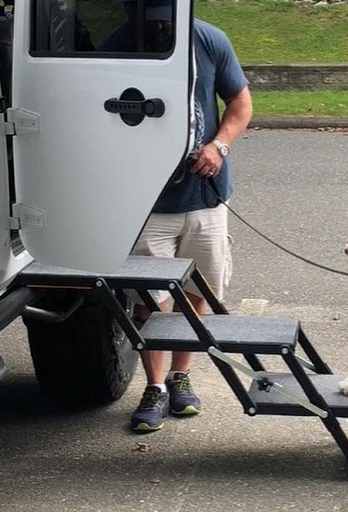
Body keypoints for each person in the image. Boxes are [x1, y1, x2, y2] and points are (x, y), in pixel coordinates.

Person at [101, 0, 253, 433]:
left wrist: (219, 146)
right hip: (149, 205)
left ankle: (180, 376)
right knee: (151, 300)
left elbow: (240, 103)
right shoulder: (118, 45)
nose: (158, 31)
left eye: (166, 23)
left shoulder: (208, 39)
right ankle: (155, 387)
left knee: (197, 291)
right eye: (149, 24)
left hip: (204, 197)